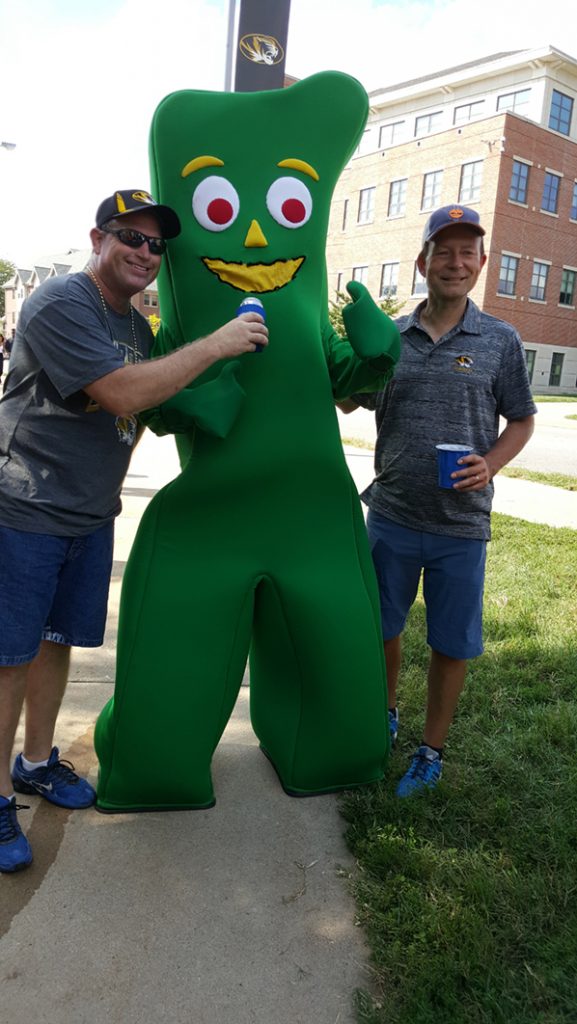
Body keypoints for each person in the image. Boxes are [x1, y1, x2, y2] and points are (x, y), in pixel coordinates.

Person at [0, 189, 268, 872]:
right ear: (98, 238)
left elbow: (146, 400)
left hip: (88, 514)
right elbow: (119, 393)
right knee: (9, 658)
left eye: (155, 245)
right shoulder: (61, 302)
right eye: (130, 238)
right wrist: (215, 345)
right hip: (24, 509)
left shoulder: (137, 328)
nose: (145, 253)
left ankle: (35, 762)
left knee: (55, 644)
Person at [340, 204, 536, 797]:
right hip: (392, 516)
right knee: (381, 628)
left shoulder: (501, 340)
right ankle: (385, 714)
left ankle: (431, 751)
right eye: (443, 251)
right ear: (423, 261)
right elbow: (347, 400)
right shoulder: (390, 338)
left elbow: (522, 422)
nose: (455, 262)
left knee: (451, 644)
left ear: (480, 264)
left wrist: (490, 463)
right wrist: (333, 350)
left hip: (460, 526)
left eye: (466, 252)